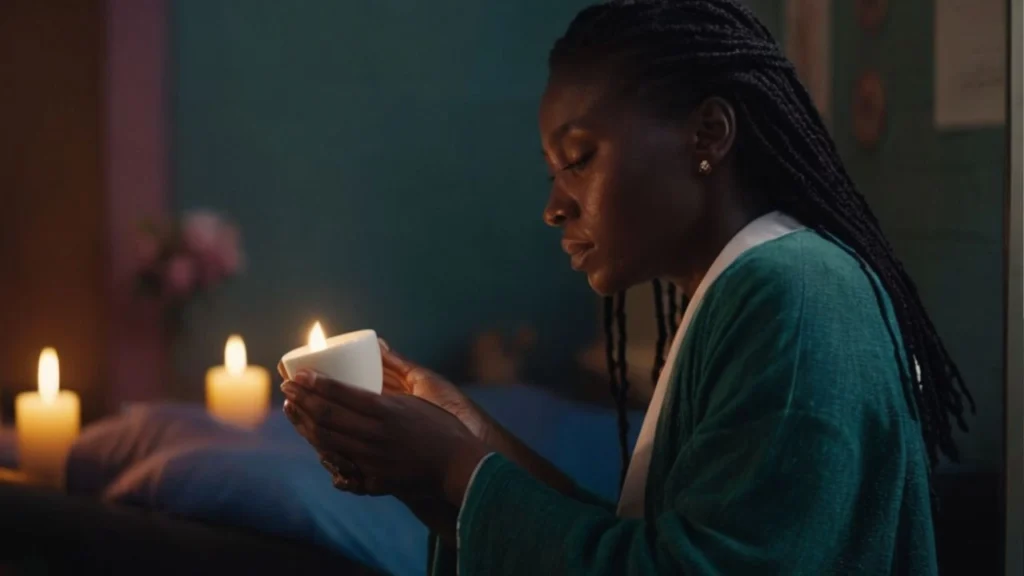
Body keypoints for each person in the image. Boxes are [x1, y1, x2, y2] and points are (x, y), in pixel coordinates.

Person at [279, 1, 975, 573]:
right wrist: (458, 441)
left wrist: (453, 468)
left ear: (707, 133)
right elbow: (644, 550)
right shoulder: (739, 287)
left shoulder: (789, 292)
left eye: (578, 159)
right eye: (553, 171)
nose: (554, 205)